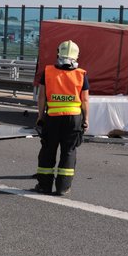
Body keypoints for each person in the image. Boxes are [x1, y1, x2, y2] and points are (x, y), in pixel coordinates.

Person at [35, 40, 89, 196]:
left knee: (48, 150)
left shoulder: (48, 71)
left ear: (58, 53)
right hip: (74, 119)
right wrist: (86, 119)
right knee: (69, 151)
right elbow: (85, 100)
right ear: (76, 56)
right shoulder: (81, 74)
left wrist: (40, 116)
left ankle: (44, 186)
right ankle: (63, 187)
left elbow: (41, 97)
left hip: (52, 118)